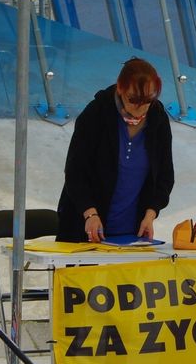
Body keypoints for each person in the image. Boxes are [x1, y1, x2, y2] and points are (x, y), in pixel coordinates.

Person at [56, 58, 175, 243]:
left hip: (132, 233)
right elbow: (75, 172)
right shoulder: (96, 113)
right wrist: (90, 214)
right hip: (85, 229)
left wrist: (151, 213)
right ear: (120, 88)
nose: (140, 107)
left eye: (148, 100)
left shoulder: (158, 119)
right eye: (133, 99)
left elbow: (165, 176)